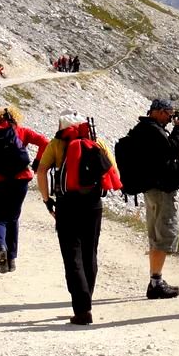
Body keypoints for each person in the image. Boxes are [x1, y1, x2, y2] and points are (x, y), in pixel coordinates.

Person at [37, 113, 114, 325]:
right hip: (93, 204)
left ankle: (82, 309)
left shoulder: (56, 144)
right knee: (90, 253)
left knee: (72, 255)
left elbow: (42, 171)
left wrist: (47, 200)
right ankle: (86, 300)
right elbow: (112, 169)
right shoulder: (96, 142)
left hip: (67, 204)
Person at [0, 107, 48, 273]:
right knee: (13, 218)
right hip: (20, 180)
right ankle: (11, 260)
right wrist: (36, 163)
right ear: (16, 119)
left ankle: (0, 248)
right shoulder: (22, 131)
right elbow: (44, 143)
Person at [126, 98, 179, 299]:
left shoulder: (143, 128)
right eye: (169, 113)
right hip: (160, 191)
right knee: (163, 236)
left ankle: (156, 279)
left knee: (155, 236)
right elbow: (172, 150)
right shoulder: (153, 131)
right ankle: (156, 283)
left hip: (151, 189)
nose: (171, 117)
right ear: (159, 112)